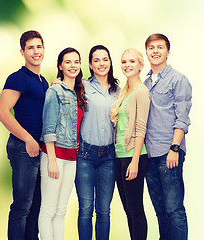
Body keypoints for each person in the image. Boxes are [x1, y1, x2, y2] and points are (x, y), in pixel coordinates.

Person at [0, 30, 48, 240]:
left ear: (44, 49)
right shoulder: (17, 78)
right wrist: (28, 139)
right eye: (30, 48)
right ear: (22, 52)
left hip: (37, 149)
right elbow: (2, 112)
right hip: (23, 148)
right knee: (22, 207)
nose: (35, 51)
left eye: (39, 46)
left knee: (35, 206)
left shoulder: (42, 81)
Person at [143, 33, 192, 240]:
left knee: (175, 210)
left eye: (160, 47)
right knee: (160, 211)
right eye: (151, 47)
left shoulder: (178, 79)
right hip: (149, 155)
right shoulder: (144, 83)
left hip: (168, 152)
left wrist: (174, 149)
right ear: (146, 52)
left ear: (168, 52)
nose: (155, 51)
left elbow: (182, 118)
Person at [38, 47, 86, 240]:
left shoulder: (79, 93)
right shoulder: (54, 91)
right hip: (54, 156)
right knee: (48, 209)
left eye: (76, 61)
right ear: (60, 66)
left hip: (72, 158)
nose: (72, 65)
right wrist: (51, 160)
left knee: (61, 210)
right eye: (68, 62)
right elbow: (48, 127)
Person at [75, 45, 119, 240]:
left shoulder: (119, 90)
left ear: (110, 62)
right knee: (85, 208)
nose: (102, 64)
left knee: (104, 210)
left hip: (109, 156)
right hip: (85, 155)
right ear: (91, 65)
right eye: (97, 60)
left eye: (105, 59)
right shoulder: (82, 86)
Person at [110, 48, 150, 240]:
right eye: (124, 62)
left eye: (132, 62)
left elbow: (141, 128)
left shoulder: (141, 92)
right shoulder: (124, 91)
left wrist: (134, 161)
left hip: (133, 157)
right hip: (119, 156)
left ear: (141, 65)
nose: (127, 65)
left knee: (135, 209)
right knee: (128, 209)